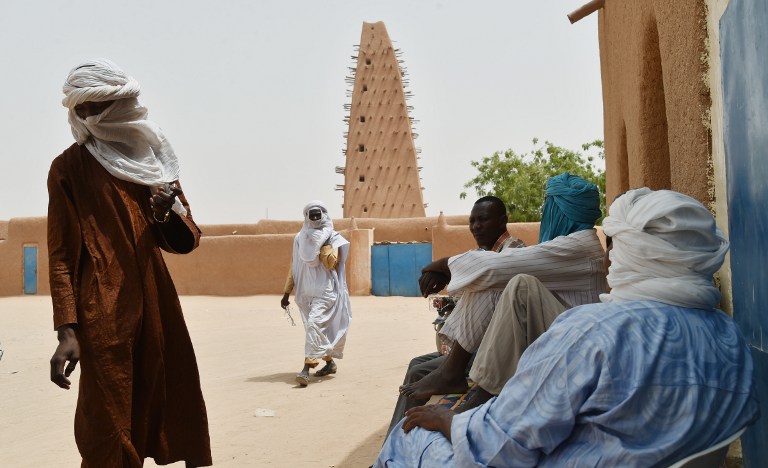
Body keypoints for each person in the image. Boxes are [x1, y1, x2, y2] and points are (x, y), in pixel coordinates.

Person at [376, 188, 760, 467]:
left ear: (634, 252)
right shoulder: (732, 342)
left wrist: (451, 423)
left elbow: (499, 447)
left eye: (616, 246)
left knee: (411, 437)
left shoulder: (590, 333)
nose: (610, 258)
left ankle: (458, 380)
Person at [47, 59, 211, 467]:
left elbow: (186, 239)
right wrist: (67, 329)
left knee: (165, 398)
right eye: (83, 110)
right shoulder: (68, 168)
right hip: (101, 310)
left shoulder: (152, 160)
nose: (89, 117)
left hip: (156, 306)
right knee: (107, 418)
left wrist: (165, 214)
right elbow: (62, 254)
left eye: (97, 108)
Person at [400, 173, 607, 408]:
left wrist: (439, 265)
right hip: (561, 339)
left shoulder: (578, 247)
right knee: (500, 275)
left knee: (515, 283)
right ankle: (452, 371)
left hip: (576, 350)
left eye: (549, 207)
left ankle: (461, 379)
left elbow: (492, 267)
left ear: (560, 210)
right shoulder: (572, 245)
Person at [386, 196, 525, 436]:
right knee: (416, 364)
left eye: (483, 220)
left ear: (502, 221)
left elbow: (484, 267)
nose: (476, 227)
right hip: (477, 345)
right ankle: (393, 441)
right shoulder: (483, 253)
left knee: (419, 372)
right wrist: (441, 274)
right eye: (472, 221)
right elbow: (470, 268)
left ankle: (396, 445)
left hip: (493, 351)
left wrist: (439, 267)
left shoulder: (513, 250)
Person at [281, 201, 352, 386]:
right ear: (306, 217)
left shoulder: (333, 237)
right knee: (315, 329)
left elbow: (331, 264)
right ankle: (329, 363)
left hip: (325, 291)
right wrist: (287, 292)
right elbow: (294, 266)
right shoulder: (299, 238)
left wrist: (325, 245)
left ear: (324, 215)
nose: (314, 218)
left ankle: (306, 369)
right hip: (305, 291)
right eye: (311, 215)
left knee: (314, 324)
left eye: (317, 215)